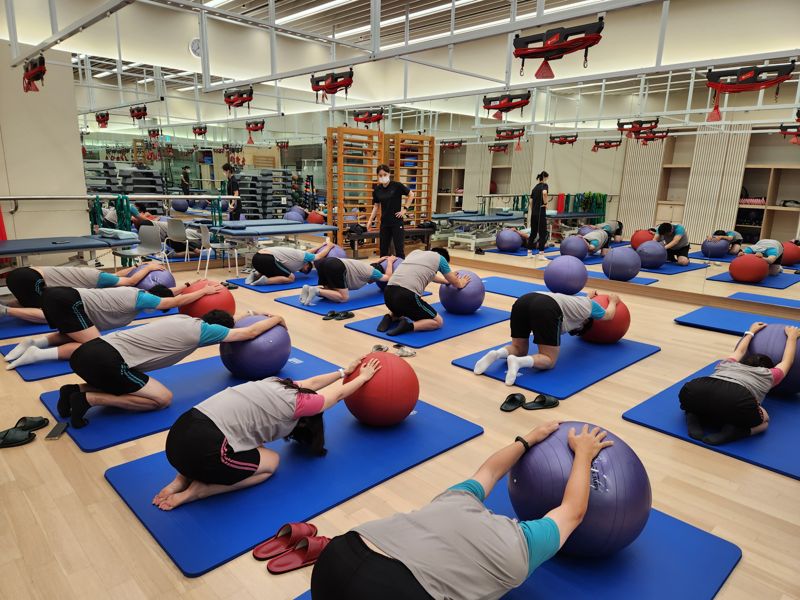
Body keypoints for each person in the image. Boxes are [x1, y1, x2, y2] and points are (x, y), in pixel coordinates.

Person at [309, 421, 613, 600]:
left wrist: (527, 439)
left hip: (336, 559)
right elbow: (573, 511)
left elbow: (490, 471)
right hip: (396, 591)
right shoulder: (520, 549)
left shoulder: (457, 499)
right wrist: (584, 455)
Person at [152, 355, 381, 511]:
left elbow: (310, 381)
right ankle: (198, 491)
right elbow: (337, 396)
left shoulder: (276, 382)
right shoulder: (298, 406)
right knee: (271, 463)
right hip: (205, 450)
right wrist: (363, 377)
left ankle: (180, 479)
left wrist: (343, 371)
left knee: (243, 442)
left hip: (177, 436)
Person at [58, 310, 285, 428]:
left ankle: (74, 389)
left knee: (121, 379)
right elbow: (249, 333)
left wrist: (248, 313)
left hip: (87, 352)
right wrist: (277, 318)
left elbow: (232, 323)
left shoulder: (185, 319)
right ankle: (90, 399)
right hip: (107, 361)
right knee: (162, 398)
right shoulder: (203, 332)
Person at [3, 281, 223, 369]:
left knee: (75, 334)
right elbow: (171, 301)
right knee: (94, 346)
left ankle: (34, 342)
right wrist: (203, 291)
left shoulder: (139, 294)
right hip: (69, 301)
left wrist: (185, 285)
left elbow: (168, 295)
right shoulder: (143, 299)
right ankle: (36, 354)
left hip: (61, 296)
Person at [679, 323, 798, 445]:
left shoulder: (727, 363)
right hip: (737, 398)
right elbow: (788, 360)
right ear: (768, 367)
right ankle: (735, 432)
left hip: (696, 389)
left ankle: (693, 416)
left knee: (700, 401)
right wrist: (792, 338)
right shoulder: (769, 375)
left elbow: (740, 350)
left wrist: (751, 332)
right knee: (765, 421)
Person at [474, 290, 619, 385]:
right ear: (586, 320)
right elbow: (609, 315)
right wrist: (613, 301)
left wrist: (589, 295)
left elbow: (581, 302)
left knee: (519, 348)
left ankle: (497, 354)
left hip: (524, 300)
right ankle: (518, 362)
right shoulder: (592, 306)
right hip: (546, 307)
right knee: (549, 359)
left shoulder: (578, 301)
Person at [1, 262, 167, 315]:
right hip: (30, 279)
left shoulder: (97, 276)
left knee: (30, 301)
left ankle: (5, 303)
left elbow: (118, 276)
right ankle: (4, 311)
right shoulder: (99, 278)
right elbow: (130, 282)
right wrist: (149, 268)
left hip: (19, 276)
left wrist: (137, 266)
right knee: (48, 312)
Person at [378, 248, 469, 336]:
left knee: (402, 308)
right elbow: (456, 283)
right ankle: (407, 326)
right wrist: (462, 282)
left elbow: (430, 275)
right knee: (438, 322)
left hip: (388, 294)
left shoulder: (415, 253)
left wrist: (446, 282)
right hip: (406, 296)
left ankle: (390, 317)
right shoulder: (440, 258)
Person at [301, 256, 394, 305]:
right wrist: (390, 262)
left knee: (328, 291)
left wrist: (380, 260)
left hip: (326, 262)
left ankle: (308, 288)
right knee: (343, 298)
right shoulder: (373, 272)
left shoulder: (366, 267)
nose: (374, 282)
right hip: (336, 266)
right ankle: (316, 290)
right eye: (375, 280)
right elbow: (388, 277)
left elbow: (374, 265)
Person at [367, 164, 415, 259]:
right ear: (378, 176)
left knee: (399, 250)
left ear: (389, 174)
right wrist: (370, 220)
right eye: (380, 175)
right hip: (384, 223)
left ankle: (401, 271)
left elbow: (411, 195)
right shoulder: (377, 190)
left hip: (397, 222)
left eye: (384, 174)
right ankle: (383, 271)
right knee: (383, 250)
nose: (382, 177)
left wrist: (404, 209)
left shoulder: (397, 186)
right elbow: (376, 206)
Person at [247, 241, 335, 286]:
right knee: (291, 278)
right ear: (307, 264)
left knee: (277, 272)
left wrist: (321, 246)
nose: (302, 270)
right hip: (266, 258)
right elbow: (318, 256)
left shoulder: (298, 257)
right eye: (306, 269)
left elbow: (309, 251)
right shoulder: (303, 257)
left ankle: (256, 275)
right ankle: (265, 281)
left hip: (256, 259)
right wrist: (329, 246)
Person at [526, 171, 550, 254]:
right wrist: (546, 203)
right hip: (541, 212)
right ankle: (541, 254)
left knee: (533, 233)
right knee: (542, 234)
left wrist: (533, 209)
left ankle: (529, 252)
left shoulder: (534, 188)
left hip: (534, 214)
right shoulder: (545, 185)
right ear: (545, 178)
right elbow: (544, 193)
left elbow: (530, 201)